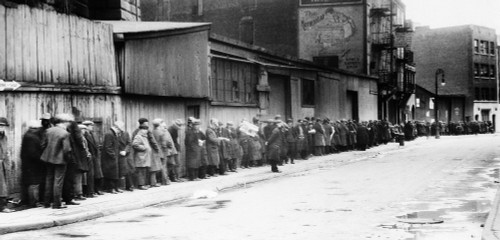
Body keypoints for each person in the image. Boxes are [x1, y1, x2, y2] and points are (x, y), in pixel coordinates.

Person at [41, 113, 74, 209]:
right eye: (68, 122)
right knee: (58, 182)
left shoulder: (48, 131)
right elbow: (67, 150)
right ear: (63, 122)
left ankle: (46, 203)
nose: (68, 124)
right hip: (60, 160)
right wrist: (67, 159)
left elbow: (42, 145)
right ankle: (56, 204)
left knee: (49, 180)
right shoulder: (65, 133)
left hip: (48, 159)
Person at [20, 120, 45, 208]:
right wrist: (41, 159)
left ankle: (31, 201)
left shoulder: (28, 135)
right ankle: (34, 202)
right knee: (34, 183)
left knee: (31, 182)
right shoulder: (32, 137)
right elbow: (33, 153)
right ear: (36, 128)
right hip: (32, 164)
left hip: (29, 164)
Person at [102, 121, 125, 193]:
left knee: (115, 173)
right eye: (119, 129)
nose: (120, 131)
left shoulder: (114, 134)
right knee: (111, 173)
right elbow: (108, 147)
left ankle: (115, 187)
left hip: (114, 157)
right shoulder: (109, 134)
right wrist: (113, 155)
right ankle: (111, 188)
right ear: (116, 127)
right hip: (109, 158)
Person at [81, 120, 101, 197]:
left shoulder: (91, 134)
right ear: (86, 127)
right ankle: (89, 192)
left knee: (93, 175)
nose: (92, 127)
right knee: (89, 175)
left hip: (93, 157)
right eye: (91, 126)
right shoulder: (85, 135)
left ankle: (93, 191)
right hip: (88, 158)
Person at [151, 119, 172, 186]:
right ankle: (165, 181)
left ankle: (157, 181)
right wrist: (167, 149)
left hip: (155, 151)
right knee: (163, 166)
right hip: (162, 151)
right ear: (159, 125)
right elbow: (164, 144)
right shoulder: (161, 133)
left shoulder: (152, 132)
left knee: (156, 167)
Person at [0, 117, 13, 212]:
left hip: (3, 163)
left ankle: (3, 206)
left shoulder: (4, 136)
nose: (2, 128)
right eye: (0, 126)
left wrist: (8, 160)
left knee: (3, 185)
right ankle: (2, 207)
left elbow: (6, 149)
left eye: (4, 126)